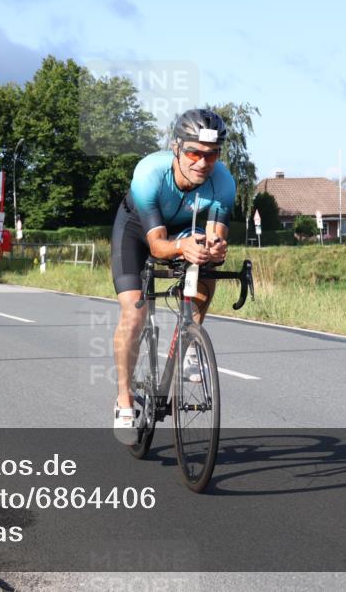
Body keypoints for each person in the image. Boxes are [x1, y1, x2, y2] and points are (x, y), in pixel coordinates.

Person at [110, 108, 235, 444]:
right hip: (137, 232)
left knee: (208, 261)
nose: (202, 163)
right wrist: (182, 248)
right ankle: (124, 400)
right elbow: (157, 245)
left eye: (212, 155)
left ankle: (191, 340)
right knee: (134, 314)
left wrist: (216, 248)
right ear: (176, 147)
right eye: (194, 152)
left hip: (182, 230)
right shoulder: (150, 173)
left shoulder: (223, 182)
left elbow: (215, 232)